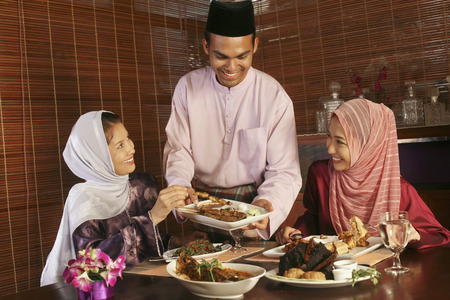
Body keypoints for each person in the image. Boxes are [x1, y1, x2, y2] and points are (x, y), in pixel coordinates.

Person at [163, 0, 302, 240]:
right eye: (221, 56)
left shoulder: (274, 96)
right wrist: (180, 185)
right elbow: (179, 150)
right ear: (206, 46)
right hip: (203, 210)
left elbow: (284, 170)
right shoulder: (188, 87)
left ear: (255, 46)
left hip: (253, 214)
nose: (231, 67)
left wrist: (265, 204)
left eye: (242, 56)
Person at [41, 111, 204, 286]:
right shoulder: (84, 197)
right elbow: (94, 264)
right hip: (104, 291)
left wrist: (177, 242)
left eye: (128, 138)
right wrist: (153, 217)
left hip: (145, 282)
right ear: (97, 156)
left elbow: (145, 241)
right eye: (120, 145)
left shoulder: (140, 185)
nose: (131, 148)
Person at [275, 98, 450, 249]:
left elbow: (440, 236)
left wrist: (415, 235)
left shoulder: (399, 190)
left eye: (340, 142)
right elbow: (313, 217)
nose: (329, 148)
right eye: (329, 136)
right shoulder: (321, 174)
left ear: (368, 146)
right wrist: (297, 231)